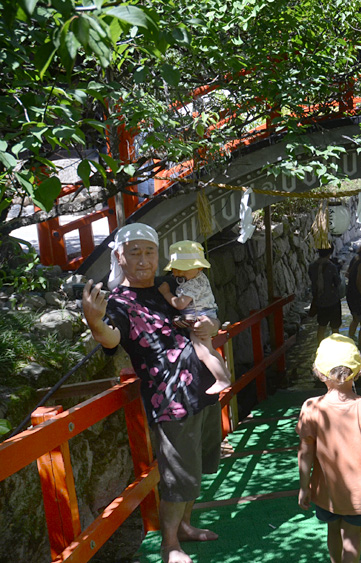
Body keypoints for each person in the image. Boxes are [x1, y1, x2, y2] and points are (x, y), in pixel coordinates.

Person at [81, 223, 222, 563]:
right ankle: (170, 544)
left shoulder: (173, 284)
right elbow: (112, 339)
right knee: (176, 477)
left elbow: (209, 317)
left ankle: (186, 526)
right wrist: (96, 323)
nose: (143, 260)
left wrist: (209, 326)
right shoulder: (119, 302)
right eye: (135, 252)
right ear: (119, 256)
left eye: (149, 251)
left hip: (204, 389)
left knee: (197, 468)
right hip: (171, 400)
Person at [297, 334, 361, 563]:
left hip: (325, 489)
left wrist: (303, 486)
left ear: (320, 372)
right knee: (352, 536)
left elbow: (305, 452)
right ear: (358, 371)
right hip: (358, 492)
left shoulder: (311, 407)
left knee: (332, 530)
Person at [158, 240, 231, 395]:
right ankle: (225, 374)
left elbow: (180, 304)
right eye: (177, 269)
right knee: (209, 349)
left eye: (183, 269)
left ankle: (221, 379)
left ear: (198, 267)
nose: (179, 273)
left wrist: (166, 294)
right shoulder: (199, 278)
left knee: (203, 352)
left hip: (201, 317)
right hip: (206, 314)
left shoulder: (193, 284)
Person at [309, 247, 344, 346]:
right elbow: (337, 282)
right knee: (335, 327)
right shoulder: (331, 266)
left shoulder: (312, 266)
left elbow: (312, 280)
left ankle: (320, 348)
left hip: (320, 301)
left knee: (321, 326)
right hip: (333, 300)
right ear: (330, 253)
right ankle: (336, 349)